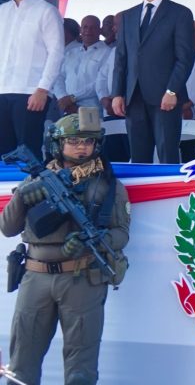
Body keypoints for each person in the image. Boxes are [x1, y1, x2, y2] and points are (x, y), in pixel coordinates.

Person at [1, 108, 131, 384]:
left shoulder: (107, 185)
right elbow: (8, 228)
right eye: (74, 141)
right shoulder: (35, 179)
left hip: (81, 277)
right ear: (58, 144)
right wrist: (22, 197)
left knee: (80, 368)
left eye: (88, 141)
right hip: (35, 277)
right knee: (21, 364)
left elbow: (121, 233)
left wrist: (92, 241)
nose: (82, 148)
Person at [111, 0, 195, 164]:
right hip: (134, 96)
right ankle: (140, 195)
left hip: (165, 96)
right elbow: (121, 58)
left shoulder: (179, 13)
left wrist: (172, 91)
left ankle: (171, 196)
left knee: (168, 153)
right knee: (139, 156)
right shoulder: (128, 15)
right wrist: (117, 93)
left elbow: (185, 57)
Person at [0, 0, 65, 156]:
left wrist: (42, 89)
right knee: (3, 152)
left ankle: (32, 188)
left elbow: (56, 52)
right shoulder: (2, 11)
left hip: (30, 92)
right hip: (2, 90)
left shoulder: (46, 11)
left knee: (27, 151)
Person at [54, 15, 108, 115]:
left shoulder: (107, 52)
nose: (89, 30)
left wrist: (73, 98)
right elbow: (58, 77)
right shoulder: (71, 53)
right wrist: (63, 97)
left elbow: (101, 82)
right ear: (80, 30)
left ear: (100, 30)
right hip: (67, 108)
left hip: (92, 110)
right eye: (85, 27)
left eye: (93, 27)